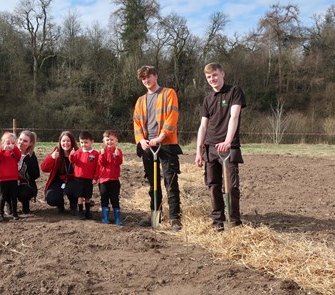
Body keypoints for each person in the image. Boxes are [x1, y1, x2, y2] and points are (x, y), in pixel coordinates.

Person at [194, 62, 246, 232]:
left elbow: (234, 116)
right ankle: (217, 221)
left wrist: (228, 141)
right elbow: (203, 126)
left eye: (215, 75)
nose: (212, 79)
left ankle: (234, 221)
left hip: (228, 147)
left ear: (222, 73)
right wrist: (199, 151)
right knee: (213, 185)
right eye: (208, 77)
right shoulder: (208, 99)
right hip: (210, 147)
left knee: (231, 187)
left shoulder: (234, 91)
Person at [133, 65, 183, 232]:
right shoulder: (140, 101)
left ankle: (175, 217)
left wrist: (161, 137)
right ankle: (156, 212)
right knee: (152, 182)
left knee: (171, 181)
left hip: (166, 144)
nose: (146, 80)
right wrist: (141, 141)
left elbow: (172, 116)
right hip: (148, 146)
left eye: (149, 77)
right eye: (143, 78)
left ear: (155, 76)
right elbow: (137, 123)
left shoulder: (168, 94)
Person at [0, 130, 40, 215]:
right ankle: (8, 203)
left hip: (23, 183)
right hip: (8, 180)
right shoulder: (8, 150)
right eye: (20, 139)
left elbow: (35, 175)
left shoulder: (31, 156)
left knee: (24, 191)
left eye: (25, 141)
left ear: (30, 143)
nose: (21, 142)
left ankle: (25, 206)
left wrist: (28, 164)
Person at [41, 131, 80, 214]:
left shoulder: (78, 153)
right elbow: (44, 168)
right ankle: (60, 204)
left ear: (72, 142)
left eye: (68, 141)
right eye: (63, 141)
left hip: (73, 180)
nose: (66, 143)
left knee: (73, 189)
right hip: (58, 180)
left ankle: (73, 205)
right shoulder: (56, 153)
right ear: (60, 142)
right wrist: (52, 158)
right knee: (51, 198)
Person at [69, 131, 99, 220]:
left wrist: (95, 177)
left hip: (89, 179)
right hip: (78, 178)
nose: (83, 144)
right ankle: (80, 211)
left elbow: (98, 167)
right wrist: (71, 156)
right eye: (81, 142)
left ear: (92, 142)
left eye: (86, 142)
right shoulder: (78, 152)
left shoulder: (95, 154)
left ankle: (88, 211)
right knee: (80, 196)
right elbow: (73, 161)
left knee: (88, 196)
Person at [0, 132, 22, 222]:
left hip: (13, 178)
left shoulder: (15, 152)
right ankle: (0, 213)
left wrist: (14, 149)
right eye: (8, 143)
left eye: (13, 143)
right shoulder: (2, 152)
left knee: (13, 197)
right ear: (3, 143)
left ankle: (14, 213)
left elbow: (19, 157)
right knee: (2, 197)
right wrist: (3, 149)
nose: (10, 145)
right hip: (3, 179)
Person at [98, 130, 123, 225]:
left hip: (114, 180)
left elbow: (118, 163)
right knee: (104, 198)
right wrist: (102, 155)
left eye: (112, 140)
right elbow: (101, 163)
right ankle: (105, 218)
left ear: (116, 140)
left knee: (115, 198)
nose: (110, 142)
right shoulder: (102, 151)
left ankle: (117, 218)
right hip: (103, 180)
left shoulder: (118, 151)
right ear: (104, 141)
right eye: (107, 140)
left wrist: (116, 156)